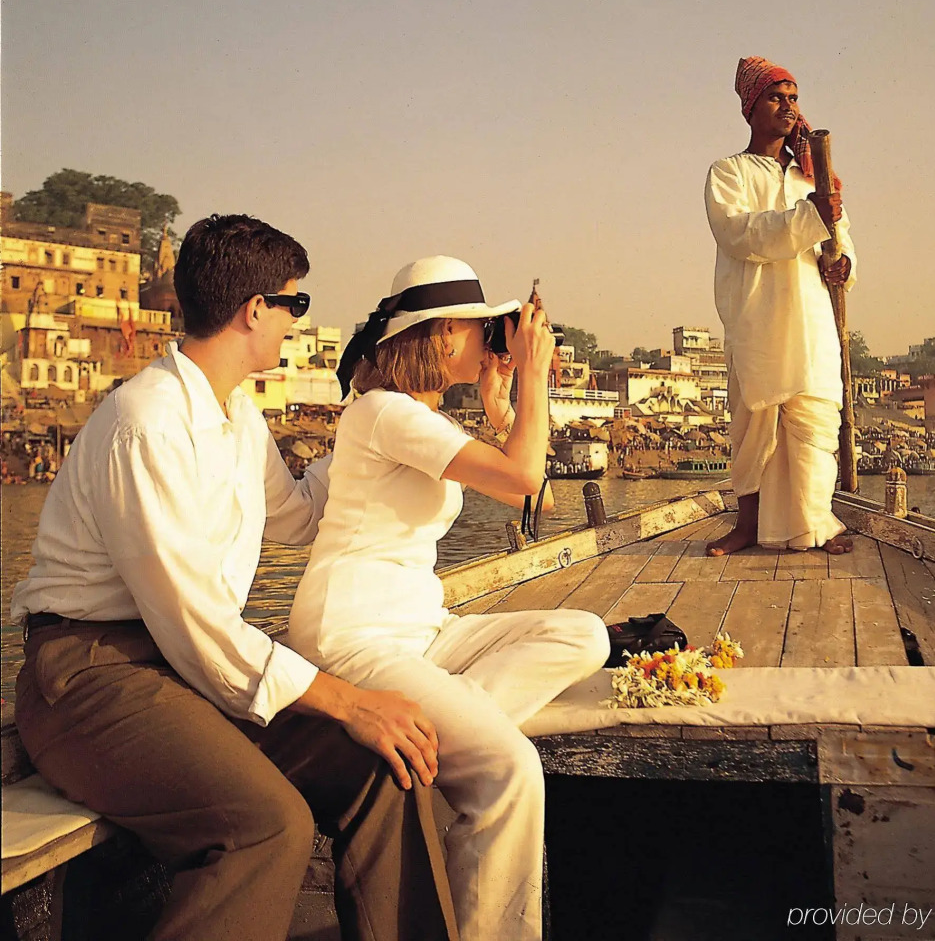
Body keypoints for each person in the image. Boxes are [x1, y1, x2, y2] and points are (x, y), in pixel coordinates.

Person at [11, 215, 458, 941]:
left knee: (386, 768)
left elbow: (303, 518)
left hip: (182, 669)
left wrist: (370, 415)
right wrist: (347, 700)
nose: (294, 323)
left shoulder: (235, 417)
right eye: (295, 305)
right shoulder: (147, 424)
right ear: (255, 310)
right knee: (266, 826)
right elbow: (193, 627)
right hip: (93, 676)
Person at [289, 255, 610, 941]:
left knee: (583, 633)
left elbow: (540, 497)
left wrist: (502, 413)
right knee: (509, 770)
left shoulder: (417, 417)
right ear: (439, 335)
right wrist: (529, 374)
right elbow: (526, 478)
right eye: (478, 328)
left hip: (418, 627)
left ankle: (441, 735)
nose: (491, 339)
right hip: (352, 634)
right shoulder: (384, 413)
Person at [704, 57, 857, 556]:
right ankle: (747, 527)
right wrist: (808, 217)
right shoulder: (728, 173)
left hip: (810, 314)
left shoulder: (815, 177)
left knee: (814, 417)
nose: (788, 107)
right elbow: (740, 233)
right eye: (776, 97)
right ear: (750, 108)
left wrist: (843, 265)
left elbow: (842, 239)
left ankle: (816, 524)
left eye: (793, 98)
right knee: (754, 422)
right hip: (756, 312)